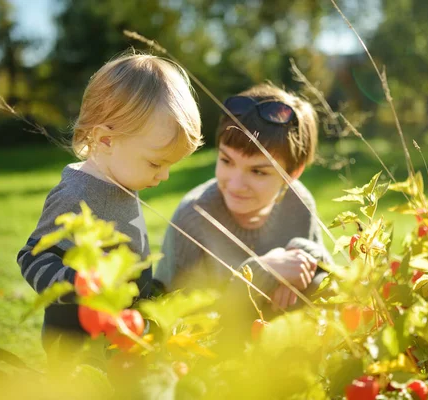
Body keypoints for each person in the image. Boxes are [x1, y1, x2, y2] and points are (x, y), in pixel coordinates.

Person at [17, 52, 202, 345]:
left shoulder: (122, 178)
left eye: (170, 165)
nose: (164, 175)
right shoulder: (76, 195)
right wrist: (78, 282)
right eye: (156, 163)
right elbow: (32, 257)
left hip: (121, 335)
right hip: (80, 345)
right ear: (106, 140)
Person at [153, 83, 331, 312]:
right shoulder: (193, 217)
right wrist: (263, 272)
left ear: (292, 175)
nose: (235, 185)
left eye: (258, 171)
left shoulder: (300, 202)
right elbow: (172, 313)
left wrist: (301, 255)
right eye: (227, 161)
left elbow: (328, 274)